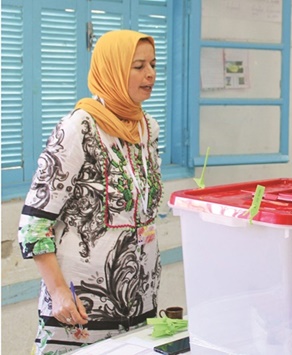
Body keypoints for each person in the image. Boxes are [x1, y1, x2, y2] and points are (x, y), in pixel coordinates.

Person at [18, 29, 163, 354]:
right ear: (111, 69)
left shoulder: (147, 128)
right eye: (138, 66)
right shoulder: (79, 127)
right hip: (80, 313)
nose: (150, 73)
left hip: (140, 308)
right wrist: (58, 293)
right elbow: (33, 225)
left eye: (153, 64)